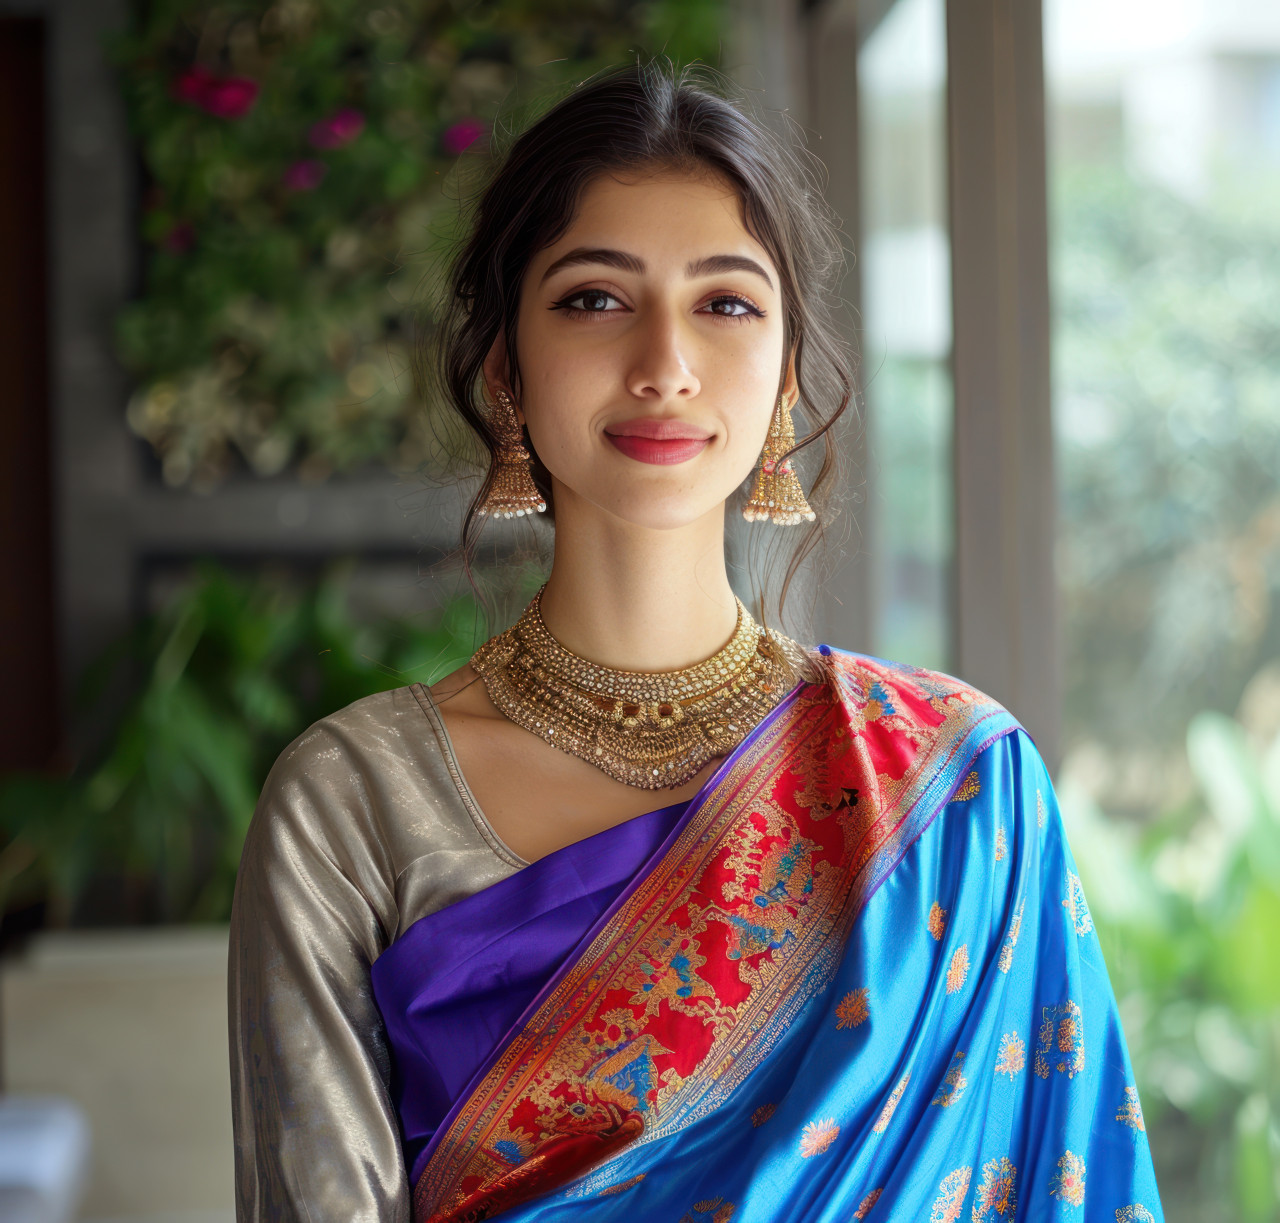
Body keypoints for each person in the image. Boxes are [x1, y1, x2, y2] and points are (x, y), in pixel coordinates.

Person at [229, 63, 1163, 1223]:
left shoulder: (954, 783)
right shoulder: (354, 803)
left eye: (724, 303)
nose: (663, 362)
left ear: (782, 376)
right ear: (504, 369)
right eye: (592, 298)